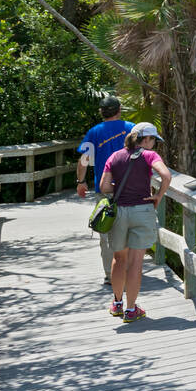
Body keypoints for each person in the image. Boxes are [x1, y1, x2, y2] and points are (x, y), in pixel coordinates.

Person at [100, 122, 172, 324]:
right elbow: (166, 175)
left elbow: (104, 186)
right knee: (136, 263)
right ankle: (131, 310)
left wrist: (122, 190)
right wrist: (158, 195)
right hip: (142, 211)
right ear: (146, 139)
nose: (154, 145)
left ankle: (117, 303)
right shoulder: (150, 156)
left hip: (119, 212)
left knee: (119, 259)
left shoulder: (115, 156)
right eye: (154, 140)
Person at [76, 96, 135, 286]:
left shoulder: (94, 132)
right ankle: (128, 270)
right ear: (119, 109)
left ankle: (111, 275)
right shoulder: (132, 128)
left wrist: (81, 181)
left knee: (106, 231)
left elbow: (84, 160)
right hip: (131, 189)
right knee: (130, 229)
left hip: (105, 190)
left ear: (101, 112)